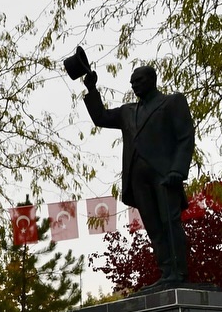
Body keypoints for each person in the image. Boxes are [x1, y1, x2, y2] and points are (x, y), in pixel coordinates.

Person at [80, 63, 195, 290]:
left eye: (139, 81)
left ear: (152, 80)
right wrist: (92, 89)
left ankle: (178, 272)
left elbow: (185, 136)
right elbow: (101, 117)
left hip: (164, 175)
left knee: (169, 223)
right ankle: (166, 271)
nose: (134, 86)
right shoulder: (127, 111)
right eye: (132, 83)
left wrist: (178, 170)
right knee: (153, 227)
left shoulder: (171, 102)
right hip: (137, 179)